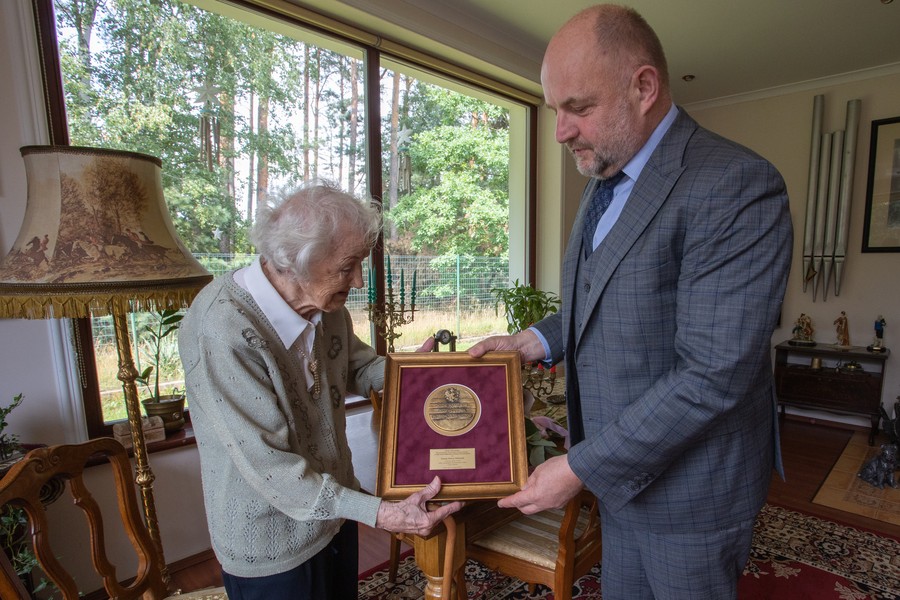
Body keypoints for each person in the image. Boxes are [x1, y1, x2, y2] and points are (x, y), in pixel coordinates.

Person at [469, 5, 792, 599]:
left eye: (579, 108)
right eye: (553, 110)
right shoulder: (605, 180)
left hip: (692, 491)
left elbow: (714, 375)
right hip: (620, 477)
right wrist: (531, 341)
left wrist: (578, 467)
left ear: (644, 87)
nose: (561, 130)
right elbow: (599, 301)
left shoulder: (737, 185)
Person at [179, 181, 462, 600]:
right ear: (294, 261)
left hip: (334, 517)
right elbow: (271, 468)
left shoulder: (325, 306)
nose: (359, 280)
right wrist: (381, 513)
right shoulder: (222, 329)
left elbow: (358, 366)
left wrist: (420, 375)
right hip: (271, 543)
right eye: (348, 266)